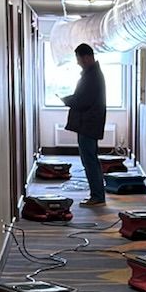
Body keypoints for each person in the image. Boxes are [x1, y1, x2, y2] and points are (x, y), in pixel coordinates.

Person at [62, 42, 108, 206]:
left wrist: (67, 100)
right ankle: (97, 194)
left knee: (89, 160)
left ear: (87, 58)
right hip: (89, 123)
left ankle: (97, 196)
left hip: (88, 124)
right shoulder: (92, 74)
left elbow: (83, 101)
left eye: (79, 59)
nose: (78, 62)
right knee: (90, 159)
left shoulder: (92, 76)